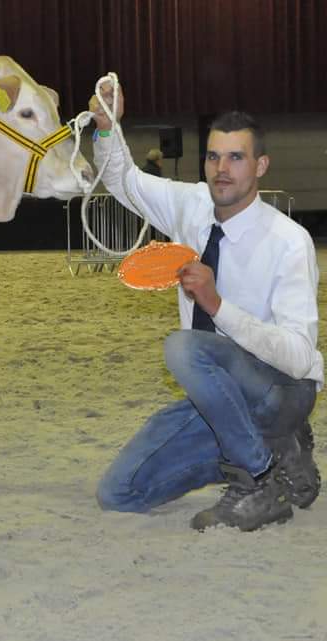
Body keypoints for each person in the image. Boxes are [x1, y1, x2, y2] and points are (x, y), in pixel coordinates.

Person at [89, 83, 322, 532]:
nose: (222, 169)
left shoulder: (290, 242)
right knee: (119, 493)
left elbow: (299, 357)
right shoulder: (192, 205)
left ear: (261, 166)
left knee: (184, 348)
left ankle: (258, 477)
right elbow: (126, 184)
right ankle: (273, 451)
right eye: (214, 157)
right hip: (219, 400)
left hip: (281, 391)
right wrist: (106, 128)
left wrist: (218, 306)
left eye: (236, 157)